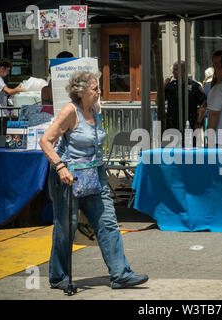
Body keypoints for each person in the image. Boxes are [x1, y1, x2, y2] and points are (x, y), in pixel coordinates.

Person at [39, 71, 148, 290]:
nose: (99, 92)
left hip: (95, 174)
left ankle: (120, 274)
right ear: (80, 92)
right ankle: (59, 276)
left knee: (107, 222)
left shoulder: (95, 110)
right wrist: (60, 167)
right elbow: (45, 141)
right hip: (70, 177)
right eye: (95, 88)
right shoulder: (71, 111)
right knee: (66, 226)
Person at [165, 61, 206, 131]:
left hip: (189, 125)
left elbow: (204, 105)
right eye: (173, 70)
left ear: (184, 71)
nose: (173, 72)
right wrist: (163, 87)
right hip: (172, 126)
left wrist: (198, 122)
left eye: (176, 69)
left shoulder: (194, 86)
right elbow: (158, 102)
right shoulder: (170, 86)